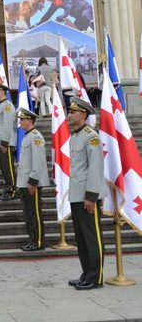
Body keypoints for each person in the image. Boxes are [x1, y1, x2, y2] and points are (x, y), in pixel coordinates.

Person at [66, 97, 105, 290]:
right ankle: (86, 273)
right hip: (76, 194)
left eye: (73, 112)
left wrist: (91, 196)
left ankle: (95, 277)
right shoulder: (75, 136)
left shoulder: (91, 136)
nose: (69, 115)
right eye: (69, 112)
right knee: (81, 238)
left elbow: (96, 168)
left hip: (87, 196)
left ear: (83, 114)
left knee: (91, 237)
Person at [16, 108, 49, 251]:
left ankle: (38, 241)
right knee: (28, 213)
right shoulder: (27, 136)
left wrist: (33, 181)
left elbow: (39, 161)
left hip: (31, 182)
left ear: (30, 120)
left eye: (22, 119)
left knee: (35, 213)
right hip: (24, 181)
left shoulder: (36, 137)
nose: (20, 121)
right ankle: (32, 239)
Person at [0, 83, 18, 201]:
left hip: (5, 143)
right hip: (0, 142)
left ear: (2, 92)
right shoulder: (2, 105)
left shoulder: (7, 106)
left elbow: (7, 125)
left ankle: (12, 190)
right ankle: (7, 189)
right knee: (4, 168)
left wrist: (4, 142)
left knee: (8, 168)